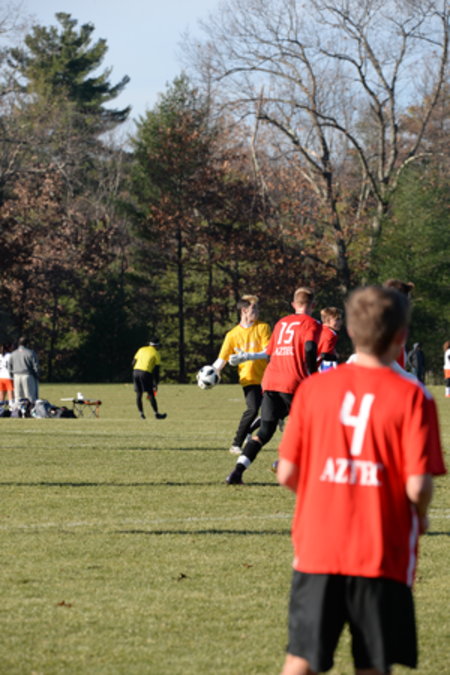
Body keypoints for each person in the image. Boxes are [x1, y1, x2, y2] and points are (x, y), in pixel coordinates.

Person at [277, 286, 446, 675]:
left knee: (301, 659)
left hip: (318, 547)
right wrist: (421, 515)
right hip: (380, 551)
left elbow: (286, 472)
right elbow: (418, 486)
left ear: (350, 330)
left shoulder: (314, 389)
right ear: (402, 334)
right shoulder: (414, 396)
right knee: (373, 662)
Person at [226, 287, 320, 485]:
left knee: (264, 432)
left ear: (293, 304)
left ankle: (236, 472)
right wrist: (313, 374)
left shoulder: (281, 323)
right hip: (293, 382)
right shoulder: (311, 323)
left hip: (270, 381)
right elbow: (310, 347)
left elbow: (269, 354)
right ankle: (289, 465)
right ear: (313, 305)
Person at [212, 295, 271, 454]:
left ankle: (248, 431)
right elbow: (221, 360)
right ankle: (236, 444)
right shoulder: (232, 335)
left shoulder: (263, 327)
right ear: (244, 310)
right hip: (249, 378)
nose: (257, 311)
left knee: (273, 412)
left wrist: (249, 356)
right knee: (253, 409)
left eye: (257, 308)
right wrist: (211, 372)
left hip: (267, 377)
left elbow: (267, 352)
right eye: (254, 308)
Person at [132, 338, 167, 420]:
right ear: (157, 345)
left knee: (139, 394)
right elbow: (156, 370)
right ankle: (156, 414)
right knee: (150, 394)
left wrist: (136, 371)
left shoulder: (141, 349)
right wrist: (156, 383)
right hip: (145, 373)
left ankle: (141, 414)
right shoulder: (156, 353)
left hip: (136, 371)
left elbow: (133, 362)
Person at [9, 337, 39, 403]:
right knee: (30, 396)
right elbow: (35, 366)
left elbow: (9, 366)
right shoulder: (30, 353)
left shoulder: (13, 353)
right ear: (27, 344)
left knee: (18, 397)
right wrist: (36, 376)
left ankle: (18, 409)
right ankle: (31, 408)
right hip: (27, 375)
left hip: (16, 376)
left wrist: (11, 375)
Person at [317, 307, 342, 372]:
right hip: (322, 366)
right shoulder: (331, 334)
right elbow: (324, 355)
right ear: (327, 320)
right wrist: (335, 357)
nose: (340, 322)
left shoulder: (318, 329)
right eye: (337, 319)